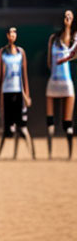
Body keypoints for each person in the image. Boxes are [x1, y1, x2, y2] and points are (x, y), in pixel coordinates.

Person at [0, 26, 35, 160]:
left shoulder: (20, 52)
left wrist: (27, 95)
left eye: (15, 32)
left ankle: (32, 155)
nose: (13, 34)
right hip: (7, 92)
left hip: (19, 93)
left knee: (22, 127)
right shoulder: (2, 52)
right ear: (7, 35)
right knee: (8, 129)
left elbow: (24, 75)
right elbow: (0, 77)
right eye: (11, 32)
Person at [45, 9, 77, 159]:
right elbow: (49, 61)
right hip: (59, 82)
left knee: (66, 121)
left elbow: (65, 43)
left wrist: (68, 27)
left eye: (69, 16)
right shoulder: (54, 38)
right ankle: (52, 154)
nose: (67, 18)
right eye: (66, 16)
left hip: (60, 81)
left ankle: (67, 154)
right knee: (52, 121)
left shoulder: (71, 38)